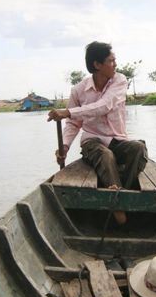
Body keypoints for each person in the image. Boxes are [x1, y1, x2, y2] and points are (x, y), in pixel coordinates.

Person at [47, 41, 148, 225]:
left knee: (139, 148)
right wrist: (65, 147)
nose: (115, 64)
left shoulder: (120, 80)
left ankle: (119, 194)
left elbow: (104, 105)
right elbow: (73, 124)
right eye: (111, 60)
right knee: (105, 155)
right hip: (92, 141)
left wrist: (68, 111)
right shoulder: (78, 90)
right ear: (97, 65)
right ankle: (120, 210)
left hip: (118, 139)